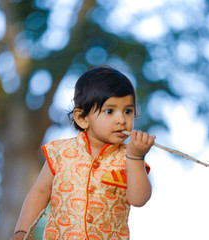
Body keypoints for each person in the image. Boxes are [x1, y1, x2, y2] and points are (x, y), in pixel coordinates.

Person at [11, 66, 155, 240]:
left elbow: (139, 199)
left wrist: (136, 157)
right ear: (82, 118)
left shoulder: (129, 158)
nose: (122, 120)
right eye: (110, 111)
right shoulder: (60, 152)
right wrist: (22, 231)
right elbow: (40, 191)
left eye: (128, 111)